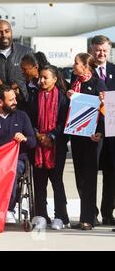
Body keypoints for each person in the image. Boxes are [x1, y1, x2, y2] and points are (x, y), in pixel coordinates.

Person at [0, 84, 36, 223]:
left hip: (17, 161)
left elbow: (33, 141)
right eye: (11, 100)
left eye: (15, 98)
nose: (15, 102)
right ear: (0, 102)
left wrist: (25, 139)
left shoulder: (21, 116)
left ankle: (8, 209)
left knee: (12, 170)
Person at [67, 53, 106, 230]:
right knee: (79, 177)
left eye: (76, 63)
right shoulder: (75, 82)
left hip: (92, 138)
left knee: (89, 178)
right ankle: (86, 215)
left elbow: (105, 110)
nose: (74, 66)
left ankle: (88, 218)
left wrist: (100, 132)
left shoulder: (98, 84)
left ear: (86, 66)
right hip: (77, 137)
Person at [28, 65, 70, 229]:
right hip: (38, 145)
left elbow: (64, 122)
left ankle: (60, 216)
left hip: (56, 146)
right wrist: (38, 135)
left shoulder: (62, 98)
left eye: (45, 77)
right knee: (39, 183)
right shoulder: (33, 97)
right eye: (41, 77)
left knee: (57, 182)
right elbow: (29, 120)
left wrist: (51, 136)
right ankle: (40, 215)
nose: (42, 80)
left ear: (54, 79)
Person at [90, 35, 115, 226]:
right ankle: (91, 213)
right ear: (92, 50)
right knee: (88, 173)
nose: (101, 53)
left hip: (112, 129)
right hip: (92, 129)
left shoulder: (114, 70)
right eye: (98, 50)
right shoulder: (84, 71)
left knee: (111, 173)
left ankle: (107, 212)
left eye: (105, 50)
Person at [0, 20, 34, 103]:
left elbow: (36, 77)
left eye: (7, 31)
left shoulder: (26, 52)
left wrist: (20, 87)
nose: (4, 35)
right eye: (0, 32)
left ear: (11, 32)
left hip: (22, 104)